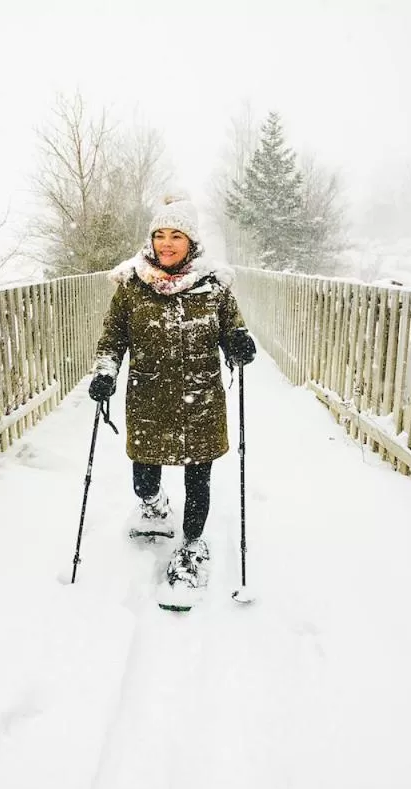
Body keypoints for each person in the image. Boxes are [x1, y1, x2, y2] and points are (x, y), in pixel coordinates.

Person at [88, 194, 256, 595]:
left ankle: (192, 543)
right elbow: (113, 337)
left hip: (201, 401)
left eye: (176, 235)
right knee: (144, 479)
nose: (166, 243)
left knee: (199, 479)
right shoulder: (132, 287)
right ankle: (154, 504)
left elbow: (233, 328)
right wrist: (106, 371)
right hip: (148, 401)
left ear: (191, 242)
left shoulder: (214, 288)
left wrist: (237, 343)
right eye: (159, 235)